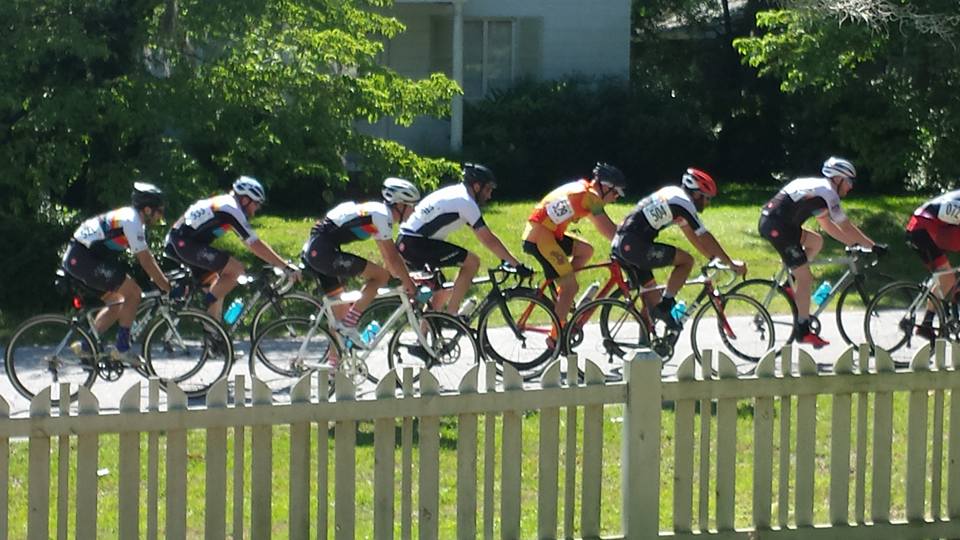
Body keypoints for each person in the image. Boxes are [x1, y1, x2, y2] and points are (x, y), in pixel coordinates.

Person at [758, 157, 880, 347]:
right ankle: (803, 330)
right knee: (806, 278)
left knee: (816, 241)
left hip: (782, 225)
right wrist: (872, 246)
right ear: (838, 179)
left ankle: (789, 286)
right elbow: (845, 225)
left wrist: (854, 244)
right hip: (779, 227)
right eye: (849, 182)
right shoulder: (828, 192)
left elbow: (828, 226)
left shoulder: (819, 190)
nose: (851, 187)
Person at [613, 168, 747, 330]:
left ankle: (647, 343)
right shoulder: (683, 203)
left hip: (625, 243)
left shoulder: (673, 194)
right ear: (696, 194)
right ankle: (668, 302)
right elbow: (704, 236)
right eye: (707, 198)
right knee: (686, 261)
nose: (708, 203)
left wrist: (713, 259)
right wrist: (731, 263)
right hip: (634, 246)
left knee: (653, 302)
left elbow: (692, 235)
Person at [396, 163, 531, 315]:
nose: (489, 196)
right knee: (472, 262)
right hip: (416, 243)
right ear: (477, 186)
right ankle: (453, 316)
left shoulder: (456, 194)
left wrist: (508, 259)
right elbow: (488, 239)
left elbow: (484, 235)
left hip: (409, 242)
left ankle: (424, 337)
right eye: (488, 190)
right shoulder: (466, 202)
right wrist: (516, 264)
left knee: (442, 292)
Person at [301, 177, 423, 344]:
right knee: (380, 277)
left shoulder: (377, 213)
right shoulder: (382, 216)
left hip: (319, 250)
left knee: (340, 317)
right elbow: (393, 258)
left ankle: (333, 365)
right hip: (322, 252)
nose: (414, 211)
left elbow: (389, 257)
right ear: (400, 205)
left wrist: (405, 278)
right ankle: (349, 325)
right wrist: (409, 283)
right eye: (412, 206)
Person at [62, 182, 172, 364]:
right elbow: (145, 260)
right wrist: (166, 286)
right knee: (134, 293)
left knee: (117, 302)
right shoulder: (132, 221)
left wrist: (159, 280)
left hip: (82, 258)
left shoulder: (130, 218)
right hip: (83, 258)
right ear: (147, 209)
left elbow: (144, 259)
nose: (161, 215)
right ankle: (121, 349)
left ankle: (85, 346)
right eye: (159, 211)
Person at [164, 176, 300, 319]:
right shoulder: (231, 208)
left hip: (181, 242)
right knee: (236, 269)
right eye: (257, 203)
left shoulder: (225, 203)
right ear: (245, 200)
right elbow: (254, 244)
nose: (257, 208)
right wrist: (285, 266)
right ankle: (204, 309)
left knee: (217, 285)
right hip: (184, 244)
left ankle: (213, 335)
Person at [522, 162, 624, 337]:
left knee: (586, 250)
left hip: (547, 233)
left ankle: (563, 296)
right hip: (541, 238)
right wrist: (627, 244)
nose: (616, 198)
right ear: (605, 187)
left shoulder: (584, 192)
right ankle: (556, 337)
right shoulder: (590, 197)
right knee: (571, 286)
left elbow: (606, 227)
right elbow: (607, 229)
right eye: (616, 193)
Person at [905, 190, 960, 339]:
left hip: (927, 229)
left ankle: (928, 323)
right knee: (948, 279)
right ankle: (932, 323)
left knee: (945, 278)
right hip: (922, 230)